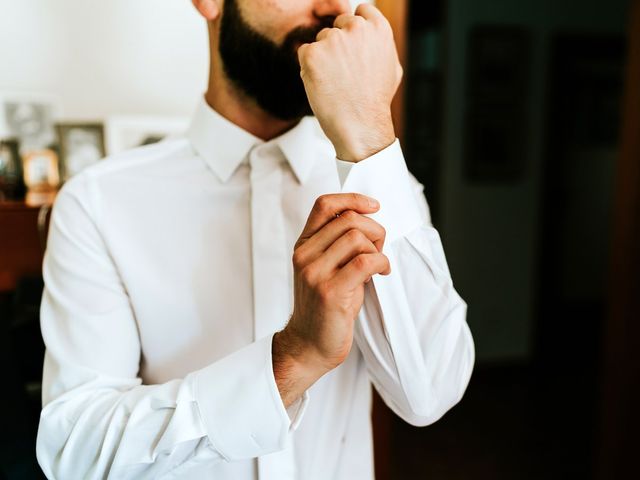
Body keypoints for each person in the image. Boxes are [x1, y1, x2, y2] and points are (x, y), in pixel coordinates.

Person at [36, 0, 474, 478]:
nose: (330, 6)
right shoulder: (99, 202)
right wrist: (293, 359)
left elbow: (429, 395)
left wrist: (369, 136)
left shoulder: (382, 181)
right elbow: (73, 453)